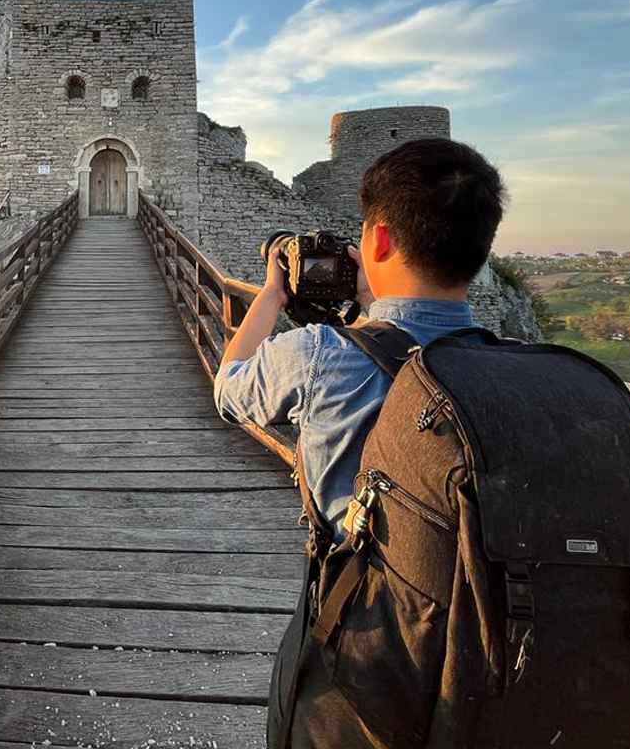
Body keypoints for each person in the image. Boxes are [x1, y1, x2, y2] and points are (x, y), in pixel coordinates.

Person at [213, 137, 507, 748]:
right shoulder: (515, 368)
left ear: (378, 240)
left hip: (362, 637)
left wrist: (273, 294)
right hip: (492, 654)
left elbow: (230, 390)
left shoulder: (321, 354)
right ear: (480, 250)